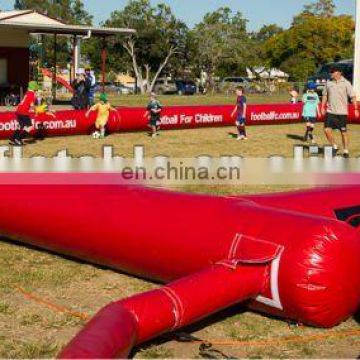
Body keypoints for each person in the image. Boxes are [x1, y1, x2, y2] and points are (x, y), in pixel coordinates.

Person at [322, 65, 359, 158]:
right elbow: (325, 95)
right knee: (326, 130)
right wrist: (322, 106)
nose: (330, 73)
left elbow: (353, 96)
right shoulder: (328, 83)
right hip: (330, 111)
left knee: (343, 132)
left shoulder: (346, 83)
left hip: (342, 113)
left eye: (332, 72)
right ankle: (335, 146)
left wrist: (355, 109)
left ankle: (346, 151)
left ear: (338, 73)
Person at [10, 81, 38, 146]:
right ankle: (19, 139)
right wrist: (35, 110)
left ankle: (13, 138)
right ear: (34, 87)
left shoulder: (27, 92)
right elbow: (31, 105)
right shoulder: (32, 94)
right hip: (24, 112)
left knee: (21, 126)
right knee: (30, 127)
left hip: (18, 110)